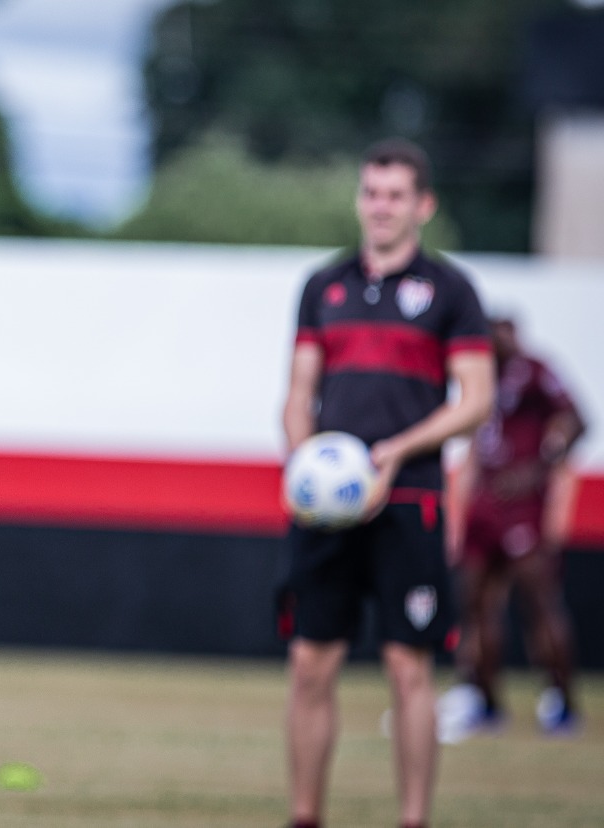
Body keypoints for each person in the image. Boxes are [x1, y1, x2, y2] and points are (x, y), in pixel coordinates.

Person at [278, 138, 496, 828]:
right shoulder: (323, 287)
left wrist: (395, 454)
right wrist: (302, 461)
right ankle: (305, 815)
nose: (381, 206)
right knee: (311, 665)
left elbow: (475, 400)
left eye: (396, 195)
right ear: (359, 199)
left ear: (423, 205)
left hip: (410, 503)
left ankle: (412, 820)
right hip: (328, 512)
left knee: (408, 668)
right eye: (372, 192)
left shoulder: (452, 293)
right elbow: (298, 391)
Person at [436, 316, 587, 742]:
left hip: (522, 507)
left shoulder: (534, 371)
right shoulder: (482, 379)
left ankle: (561, 700)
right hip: (485, 505)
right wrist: (461, 506)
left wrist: (540, 468)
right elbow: (474, 446)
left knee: (537, 602)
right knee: (475, 603)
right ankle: (484, 699)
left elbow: (577, 420)